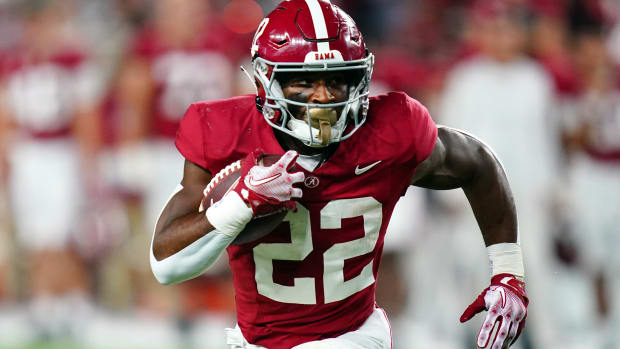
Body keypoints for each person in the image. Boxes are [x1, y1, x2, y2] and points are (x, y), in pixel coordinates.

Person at [150, 1, 528, 348]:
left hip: (352, 336)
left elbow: (478, 162)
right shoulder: (224, 131)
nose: (323, 97)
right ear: (267, 81)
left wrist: (508, 272)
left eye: (337, 79)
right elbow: (167, 267)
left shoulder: (392, 130)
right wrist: (240, 203)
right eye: (304, 81)